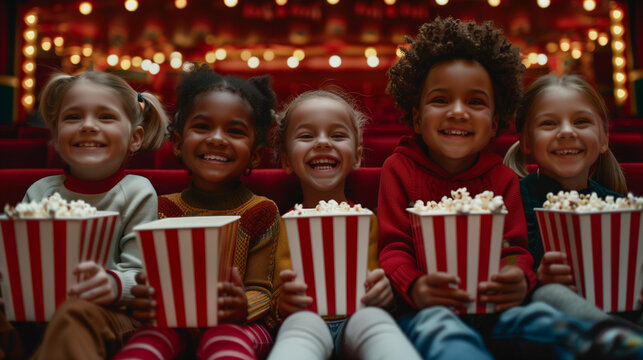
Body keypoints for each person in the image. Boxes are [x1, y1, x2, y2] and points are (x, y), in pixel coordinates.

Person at [380, 17, 642, 360]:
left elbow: (516, 248)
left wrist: (519, 277)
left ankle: (611, 344)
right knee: (440, 330)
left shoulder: (502, 179)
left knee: (538, 318)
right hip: (426, 310)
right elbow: (393, 245)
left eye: (475, 102)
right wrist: (414, 286)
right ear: (416, 118)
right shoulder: (398, 169)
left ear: (494, 123)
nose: (458, 112)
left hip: (497, 310)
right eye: (441, 100)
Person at [114, 65, 287, 360]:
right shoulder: (161, 208)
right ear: (179, 143)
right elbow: (147, 279)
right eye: (203, 127)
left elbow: (263, 290)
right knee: (149, 341)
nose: (217, 139)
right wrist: (141, 299)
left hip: (240, 324)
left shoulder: (261, 211)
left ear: (255, 154)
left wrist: (242, 305)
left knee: (226, 340)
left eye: (234, 131)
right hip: (173, 321)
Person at [22, 70, 168, 359]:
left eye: (105, 117)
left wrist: (113, 284)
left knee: (74, 315)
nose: (88, 126)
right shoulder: (38, 192)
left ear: (135, 138)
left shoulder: (138, 192)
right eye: (73, 117)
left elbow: (141, 275)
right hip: (35, 313)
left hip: (109, 315)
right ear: (56, 133)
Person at [267, 89, 420, 360]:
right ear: (286, 160)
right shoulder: (281, 225)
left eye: (337, 135)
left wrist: (386, 293)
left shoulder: (369, 221)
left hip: (358, 318)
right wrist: (284, 303)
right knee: (300, 328)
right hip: (305, 319)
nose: (323, 143)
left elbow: (383, 276)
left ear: (358, 156)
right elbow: (275, 292)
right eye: (306, 136)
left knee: (376, 323)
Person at [503, 74, 642, 329]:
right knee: (551, 296)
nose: (566, 131)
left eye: (581, 121)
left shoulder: (623, 206)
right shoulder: (512, 202)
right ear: (526, 141)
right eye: (548, 123)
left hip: (627, 312)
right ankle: (619, 340)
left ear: (603, 139)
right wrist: (535, 276)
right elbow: (508, 262)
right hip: (556, 321)